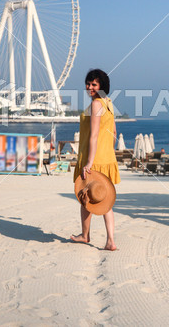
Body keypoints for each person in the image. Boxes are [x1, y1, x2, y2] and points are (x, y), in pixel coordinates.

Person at [71, 69, 120, 251]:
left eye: (94, 84)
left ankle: (85, 235)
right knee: (104, 200)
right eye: (88, 83)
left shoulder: (96, 105)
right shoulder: (109, 103)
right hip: (106, 158)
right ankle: (110, 241)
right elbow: (113, 133)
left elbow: (93, 136)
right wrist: (109, 152)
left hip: (93, 158)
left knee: (85, 197)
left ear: (101, 86)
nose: (90, 87)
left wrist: (89, 162)